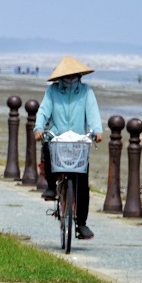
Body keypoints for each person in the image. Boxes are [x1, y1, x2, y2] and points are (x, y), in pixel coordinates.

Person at [33, 54, 104, 240]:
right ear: (60, 77)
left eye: (75, 76)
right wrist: (39, 128)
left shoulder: (86, 92)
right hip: (58, 137)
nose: (71, 80)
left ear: (80, 76)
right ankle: (50, 185)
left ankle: (81, 223)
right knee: (48, 146)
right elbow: (43, 111)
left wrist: (97, 130)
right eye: (68, 76)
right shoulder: (53, 92)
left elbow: (93, 112)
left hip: (79, 140)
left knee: (82, 182)